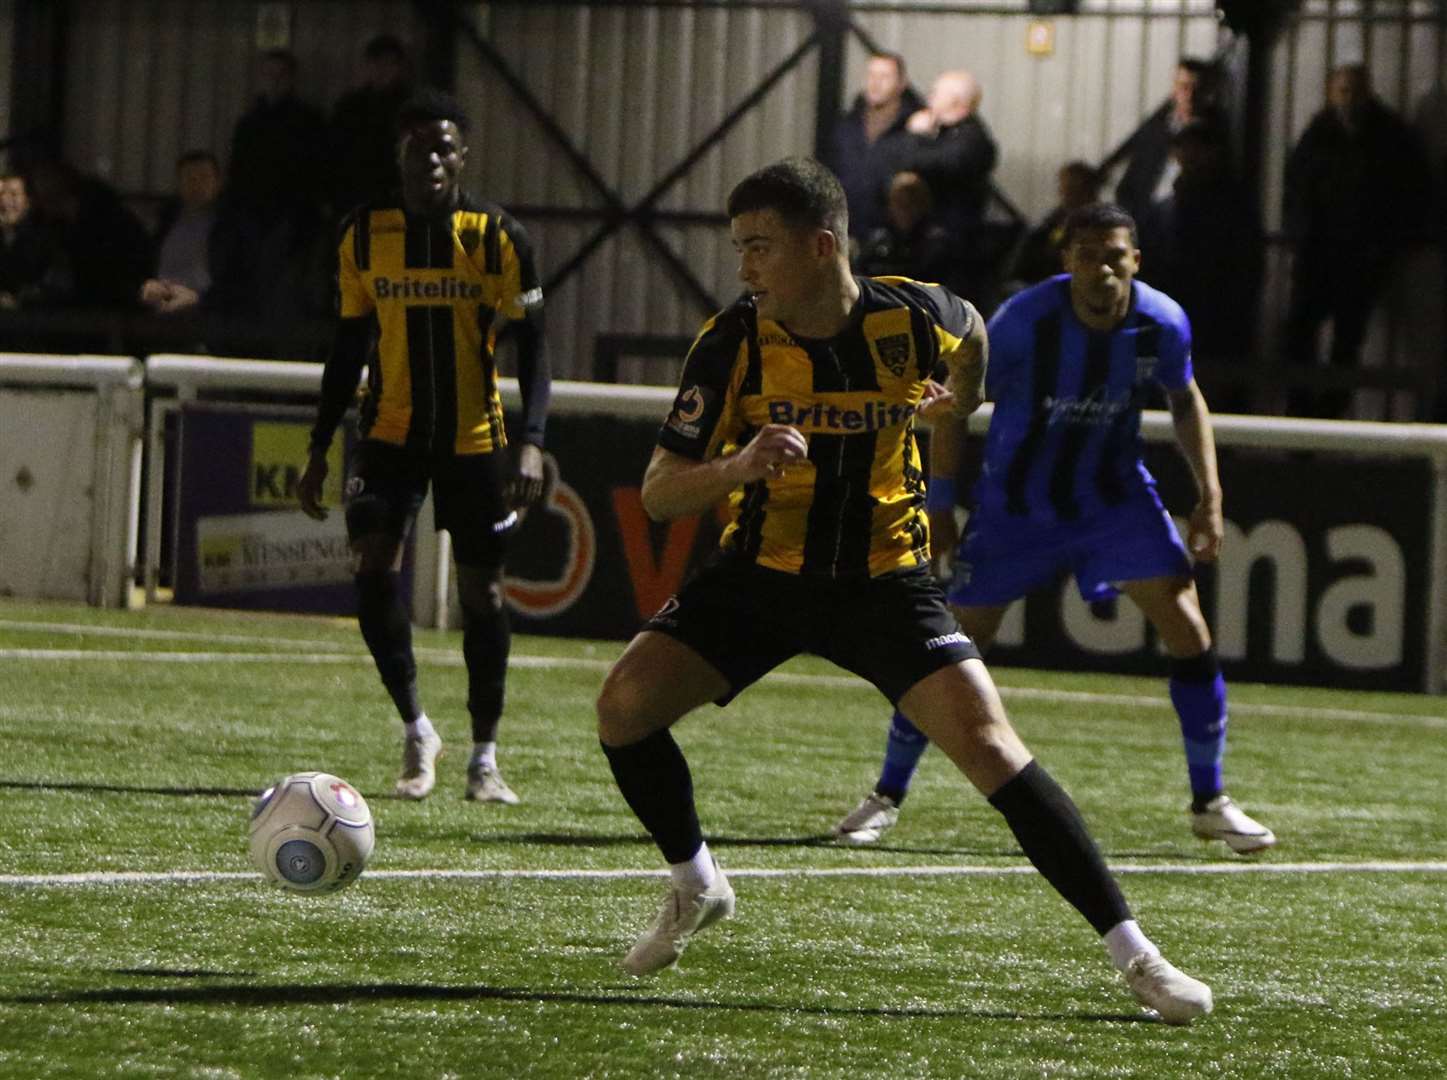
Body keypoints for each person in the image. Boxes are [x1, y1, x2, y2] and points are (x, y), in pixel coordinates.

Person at [596, 159, 1213, 1025]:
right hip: (762, 575)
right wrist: (738, 465)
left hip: (885, 581)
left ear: (820, 247)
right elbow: (661, 490)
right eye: (739, 249)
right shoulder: (731, 341)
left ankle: (1140, 958)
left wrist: (955, 404)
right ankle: (695, 882)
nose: (744, 269)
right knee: (623, 709)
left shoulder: (916, 312)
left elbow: (973, 346)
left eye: (758, 248)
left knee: (994, 749)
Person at [835, 202, 1275, 861]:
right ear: (1065, 261)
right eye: (1086, 254)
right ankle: (886, 795)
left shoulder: (1160, 322)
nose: (1100, 268)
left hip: (1113, 499)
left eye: (1114, 255)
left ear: (1135, 260)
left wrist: (1208, 496)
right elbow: (956, 405)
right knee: (950, 647)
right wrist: (943, 501)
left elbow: (1184, 400)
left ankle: (1210, 802)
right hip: (1017, 508)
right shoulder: (1021, 325)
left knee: (1186, 626)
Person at [298, 89, 550, 805]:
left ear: (462, 156)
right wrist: (320, 445)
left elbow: (534, 346)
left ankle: (484, 755)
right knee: (372, 568)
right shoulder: (363, 233)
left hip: (474, 439)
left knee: (484, 594)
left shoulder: (499, 237)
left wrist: (531, 441)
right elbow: (347, 346)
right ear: (398, 153)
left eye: (444, 146)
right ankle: (416, 728)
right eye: (418, 145)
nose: (432, 158)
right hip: (388, 433)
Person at [1282, 64, 1432, 418]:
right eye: (1343, 91)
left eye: (1354, 91)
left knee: (1343, 345)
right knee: (1304, 336)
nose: (1349, 99)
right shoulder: (1327, 133)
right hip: (1322, 256)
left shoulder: (1381, 135)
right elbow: (1297, 189)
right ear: (1332, 92)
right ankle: (1307, 416)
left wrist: (1384, 246)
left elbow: (1411, 194)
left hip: (1358, 258)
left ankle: (1323, 419)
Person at [1137, 122, 1262, 413]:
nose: (1187, 156)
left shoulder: (1231, 206)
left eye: (1195, 149)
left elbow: (1244, 267)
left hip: (1215, 318)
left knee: (1209, 392)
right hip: (1178, 311)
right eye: (1183, 149)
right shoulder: (1167, 204)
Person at [895, 70, 999, 299]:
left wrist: (916, 136)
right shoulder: (947, 135)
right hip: (931, 243)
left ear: (957, 104)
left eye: (936, 94)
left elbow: (921, 163)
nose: (929, 99)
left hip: (953, 252)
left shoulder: (972, 141)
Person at [825, 51, 926, 244]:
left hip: (897, 243)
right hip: (846, 235)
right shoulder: (846, 125)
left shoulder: (914, 128)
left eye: (884, 76)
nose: (875, 83)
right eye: (871, 75)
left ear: (901, 83)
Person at [1113, 58, 1225, 222]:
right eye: (1184, 87)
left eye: (1197, 88)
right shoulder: (1156, 130)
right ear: (1174, 89)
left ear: (1208, 91)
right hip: (1148, 220)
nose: (1190, 95)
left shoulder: (1216, 132)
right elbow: (1130, 183)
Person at [330, 34, 412, 217]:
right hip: (353, 198)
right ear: (368, 66)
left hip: (395, 200)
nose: (383, 71)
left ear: (399, 68)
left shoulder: (411, 109)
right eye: (377, 63)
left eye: (389, 64)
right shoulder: (349, 107)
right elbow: (334, 153)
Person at [1005, 160, 1102, 291]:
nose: (1063, 193)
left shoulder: (1099, 222)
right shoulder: (1058, 217)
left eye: (1071, 188)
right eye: (1064, 187)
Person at [854, 170, 952, 282]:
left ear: (923, 204)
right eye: (898, 202)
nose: (904, 209)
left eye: (911, 202)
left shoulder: (935, 243)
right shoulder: (878, 242)